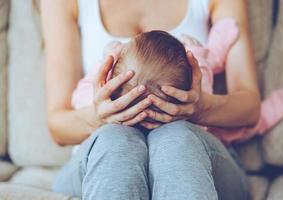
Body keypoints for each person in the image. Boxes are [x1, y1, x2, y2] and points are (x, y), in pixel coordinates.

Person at [41, 0, 267, 199]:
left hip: (193, 155)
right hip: (103, 160)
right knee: (117, 140)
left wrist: (201, 109)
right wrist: (97, 117)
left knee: (175, 137)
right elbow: (57, 126)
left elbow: (250, 109)